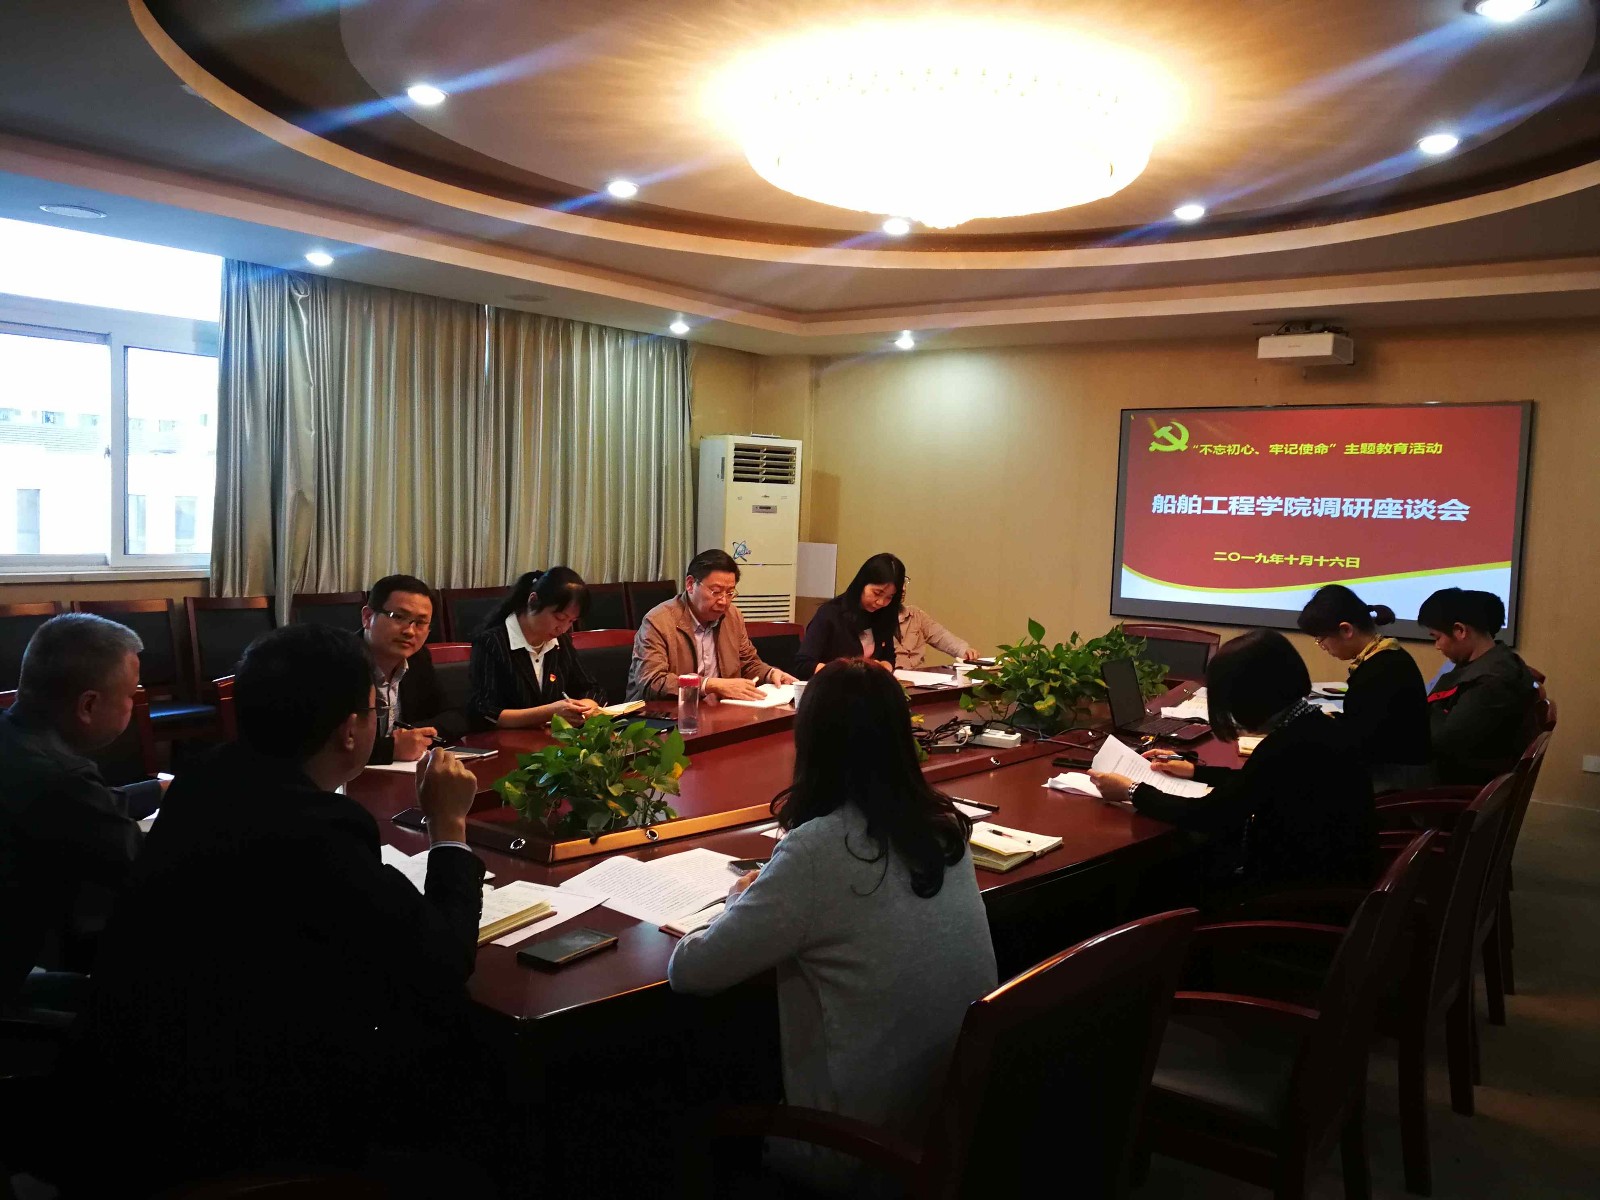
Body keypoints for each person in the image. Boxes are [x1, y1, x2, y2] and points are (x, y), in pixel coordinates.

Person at [68, 624, 489, 1195]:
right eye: (374, 710)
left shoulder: (204, 779)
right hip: (223, 1116)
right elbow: (443, 961)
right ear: (350, 730)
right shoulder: (317, 828)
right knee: (467, 1059)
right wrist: (449, 827)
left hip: (128, 1080)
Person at [668, 659, 996, 1190]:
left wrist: (737, 899)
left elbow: (691, 971)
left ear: (811, 743)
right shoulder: (943, 827)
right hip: (947, 1123)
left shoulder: (818, 849)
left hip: (854, 1148)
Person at [1091, 630, 1377, 898]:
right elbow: (1252, 782)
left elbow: (1210, 814)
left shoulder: (1287, 746)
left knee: (1155, 882)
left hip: (1294, 897)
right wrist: (1195, 771)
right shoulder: (1316, 726)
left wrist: (1132, 791)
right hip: (1330, 877)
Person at [0, 613, 163, 1013]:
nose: (133, 703)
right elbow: (149, 870)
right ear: (88, 704)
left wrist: (158, 790)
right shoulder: (63, 779)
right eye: (131, 695)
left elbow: (86, 810)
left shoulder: (16, 741)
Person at [1297, 584, 1430, 791]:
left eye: (1321, 639)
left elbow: (1361, 739)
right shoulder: (1383, 657)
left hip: (1395, 784)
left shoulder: (1383, 668)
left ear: (1346, 630)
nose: (1323, 647)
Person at [626, 549, 798, 701]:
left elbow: (748, 663)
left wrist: (770, 674)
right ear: (690, 584)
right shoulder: (658, 621)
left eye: (730, 593)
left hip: (716, 711)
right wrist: (710, 685)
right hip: (658, 717)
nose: (724, 601)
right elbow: (653, 682)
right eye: (716, 592)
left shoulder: (732, 616)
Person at [1418, 587, 1537, 786]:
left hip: (1455, 783)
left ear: (1460, 631)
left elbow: (1444, 740)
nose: (1437, 646)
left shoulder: (1491, 682)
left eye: (1437, 637)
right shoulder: (1497, 662)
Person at [467, 568, 604, 728]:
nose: (563, 628)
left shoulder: (561, 641)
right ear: (533, 601)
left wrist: (586, 706)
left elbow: (590, 687)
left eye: (571, 621)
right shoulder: (491, 643)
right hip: (507, 740)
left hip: (552, 738)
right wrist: (548, 713)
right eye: (559, 618)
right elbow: (483, 711)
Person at [361, 573, 469, 763]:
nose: (410, 631)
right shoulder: (338, 660)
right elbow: (320, 746)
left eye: (420, 623)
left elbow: (456, 717)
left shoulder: (418, 658)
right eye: (398, 617)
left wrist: (415, 735)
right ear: (368, 617)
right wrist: (390, 748)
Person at [795, 552, 905, 677]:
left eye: (889, 597)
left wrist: (883, 668)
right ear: (862, 583)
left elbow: (888, 657)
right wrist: (845, 675)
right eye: (877, 593)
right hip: (832, 685)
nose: (881, 602)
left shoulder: (883, 614)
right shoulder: (830, 614)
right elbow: (803, 665)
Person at [895, 587, 981, 671]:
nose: (903, 588)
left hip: (920, 675)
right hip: (892, 677)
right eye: (898, 583)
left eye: (904, 582)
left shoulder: (916, 614)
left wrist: (963, 650)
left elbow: (940, 635)